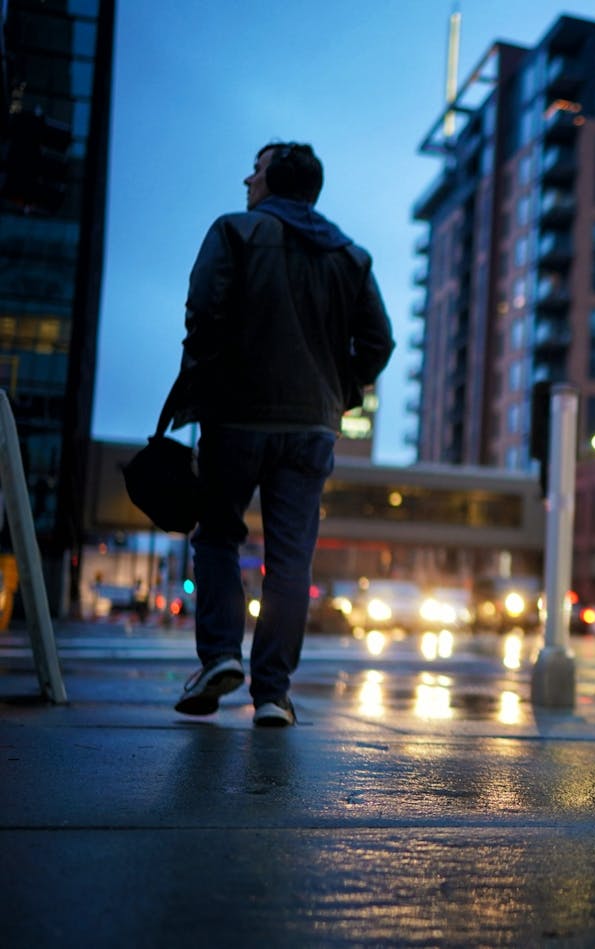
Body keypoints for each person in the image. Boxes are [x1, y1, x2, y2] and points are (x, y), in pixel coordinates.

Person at [171, 142, 394, 726]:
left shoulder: (236, 232)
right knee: (291, 559)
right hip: (311, 427)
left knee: (218, 536)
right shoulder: (350, 256)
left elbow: (202, 312)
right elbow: (379, 344)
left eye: (257, 170)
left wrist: (210, 384)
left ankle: (220, 656)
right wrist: (338, 392)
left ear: (275, 184)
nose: (248, 178)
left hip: (238, 417)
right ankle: (272, 693)